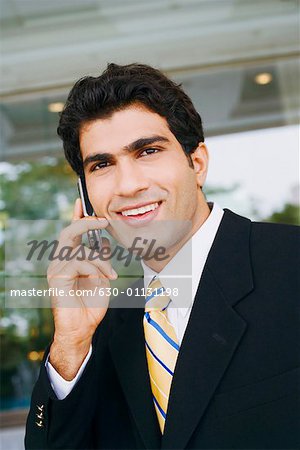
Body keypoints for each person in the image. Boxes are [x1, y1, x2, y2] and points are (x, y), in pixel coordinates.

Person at [25, 63, 299, 450]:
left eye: (148, 151)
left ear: (197, 163)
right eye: (102, 165)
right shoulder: (98, 326)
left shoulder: (291, 264)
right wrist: (70, 345)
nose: (130, 184)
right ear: (85, 195)